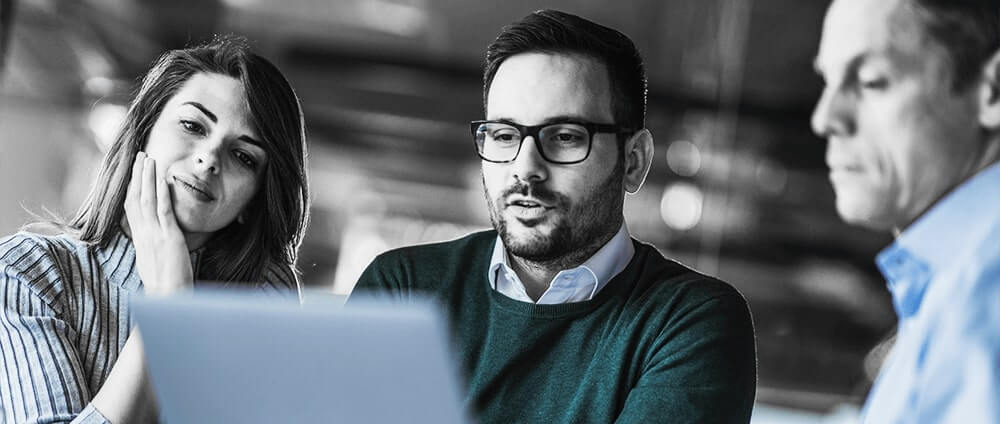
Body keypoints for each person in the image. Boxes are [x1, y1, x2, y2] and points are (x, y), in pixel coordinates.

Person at [353, 9, 756, 423]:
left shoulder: (688, 321)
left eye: (564, 137)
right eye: (505, 135)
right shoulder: (403, 289)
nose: (525, 168)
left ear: (634, 161)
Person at [0, 36, 310, 423]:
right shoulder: (26, 271)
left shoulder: (264, 293)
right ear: (142, 134)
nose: (208, 158)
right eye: (192, 125)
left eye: (243, 156)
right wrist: (167, 306)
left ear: (254, 200)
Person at [811, 0, 1000, 421]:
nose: (825, 119)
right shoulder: (951, 276)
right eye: (826, 80)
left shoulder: (983, 292)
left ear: (994, 91)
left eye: (871, 81)